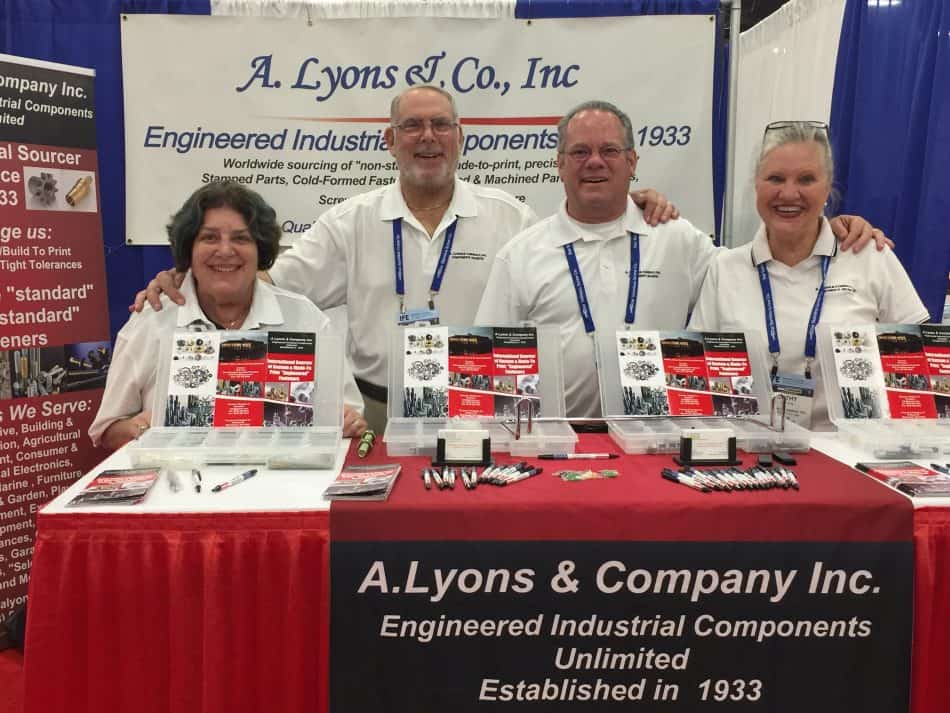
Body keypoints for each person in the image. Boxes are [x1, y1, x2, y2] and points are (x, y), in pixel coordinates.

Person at [131, 86, 679, 433]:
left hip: (480, 405)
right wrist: (189, 276)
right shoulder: (349, 222)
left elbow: (575, 248)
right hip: (376, 409)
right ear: (389, 141)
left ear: (460, 138)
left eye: (440, 125)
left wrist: (626, 203)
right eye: (412, 126)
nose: (427, 137)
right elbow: (268, 283)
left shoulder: (511, 217)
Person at [474, 101, 892, 418]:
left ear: (632, 162)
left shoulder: (678, 238)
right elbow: (487, 366)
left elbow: (763, 269)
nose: (595, 162)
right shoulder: (521, 254)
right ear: (559, 164)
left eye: (610, 150)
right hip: (556, 440)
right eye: (580, 152)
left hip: (658, 436)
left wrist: (827, 230)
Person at [90, 181, 366, 450]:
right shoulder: (152, 321)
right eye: (209, 238)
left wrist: (345, 421)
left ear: (260, 250)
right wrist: (140, 428)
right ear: (188, 249)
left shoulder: (305, 318)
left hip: (284, 478)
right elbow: (107, 431)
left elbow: (348, 413)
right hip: (176, 479)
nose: (224, 250)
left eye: (241, 238)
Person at [688, 121, 929, 429]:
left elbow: (921, 368)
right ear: (757, 185)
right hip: (752, 446)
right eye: (775, 178)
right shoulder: (726, 268)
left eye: (806, 179)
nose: (789, 193)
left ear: (827, 187)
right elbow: (699, 379)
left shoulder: (869, 257)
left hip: (850, 448)